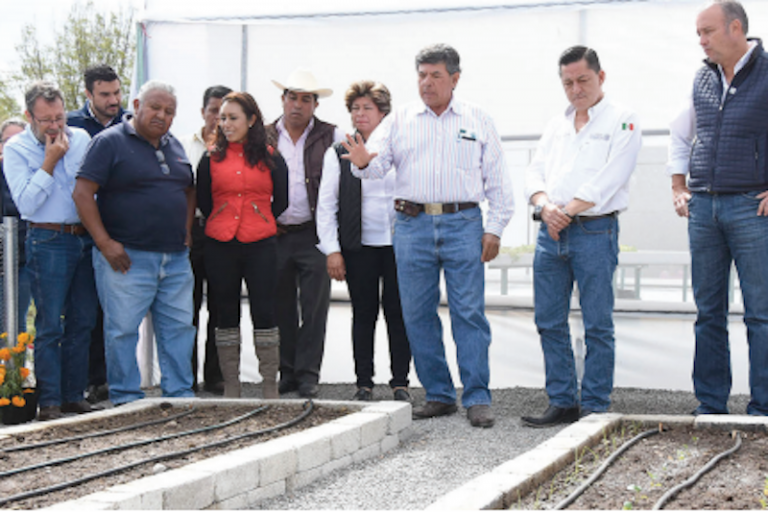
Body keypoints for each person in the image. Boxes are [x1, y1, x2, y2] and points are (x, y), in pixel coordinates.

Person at [342, 44, 514, 428]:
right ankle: (438, 393)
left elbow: (499, 181)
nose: (427, 82)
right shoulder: (399, 119)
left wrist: (495, 229)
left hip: (463, 223)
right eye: (422, 74)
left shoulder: (478, 119)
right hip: (411, 225)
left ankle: (477, 397)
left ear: (455, 78)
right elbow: (377, 168)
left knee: (468, 313)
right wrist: (363, 164)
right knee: (417, 314)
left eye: (436, 75)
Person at [520, 46, 642, 428]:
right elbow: (534, 172)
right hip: (550, 231)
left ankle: (594, 405)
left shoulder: (623, 120)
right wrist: (544, 206)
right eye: (568, 82)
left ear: (600, 77)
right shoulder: (557, 124)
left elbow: (611, 177)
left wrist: (564, 211)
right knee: (549, 321)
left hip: (594, 229)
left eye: (583, 80)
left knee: (597, 323)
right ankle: (562, 401)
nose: (576, 89)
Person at [668, 0, 768, 416]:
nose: (702, 41)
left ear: (735, 28)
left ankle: (763, 408)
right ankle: (710, 404)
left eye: (707, 32)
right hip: (703, 208)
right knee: (708, 312)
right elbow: (679, 132)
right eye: (698, 34)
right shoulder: (702, 78)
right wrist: (678, 185)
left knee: (760, 314)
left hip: (751, 208)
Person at [73, 80, 196, 406]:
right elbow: (82, 194)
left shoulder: (175, 147)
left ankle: (179, 397)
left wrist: (185, 231)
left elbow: (187, 189)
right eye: (155, 107)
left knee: (180, 329)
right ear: (137, 104)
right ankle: (127, 400)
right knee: (123, 332)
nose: (162, 115)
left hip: (174, 259)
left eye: (169, 111)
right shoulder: (109, 142)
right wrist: (104, 243)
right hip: (126, 257)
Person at [3, 81, 99, 421]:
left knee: (83, 320)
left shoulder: (83, 140)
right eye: (46, 120)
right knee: (49, 325)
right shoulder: (16, 149)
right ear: (29, 116)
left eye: (59, 116)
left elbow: (92, 191)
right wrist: (49, 161)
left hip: (83, 237)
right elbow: (26, 203)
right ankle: (50, 402)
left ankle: (75, 395)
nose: (56, 126)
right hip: (46, 239)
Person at [316, 80, 412, 402]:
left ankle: (400, 382)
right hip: (359, 245)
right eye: (355, 108)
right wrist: (332, 250)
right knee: (364, 312)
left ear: (382, 111)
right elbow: (327, 204)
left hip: (399, 244)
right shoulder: (338, 151)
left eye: (367, 108)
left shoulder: (399, 146)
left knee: (399, 312)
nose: (360, 114)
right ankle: (364, 383)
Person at [196, 91, 288, 399]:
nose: (225, 124)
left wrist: (259, 217)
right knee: (225, 311)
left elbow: (282, 200)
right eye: (222, 118)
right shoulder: (209, 159)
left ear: (251, 120)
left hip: (261, 242)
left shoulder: (271, 157)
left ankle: (269, 386)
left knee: (265, 310)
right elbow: (205, 202)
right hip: (221, 243)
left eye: (233, 118)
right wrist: (224, 218)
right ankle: (231, 385)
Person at [266, 68, 344, 399]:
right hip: (276, 233)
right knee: (280, 305)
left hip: (316, 234)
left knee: (314, 307)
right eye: (292, 97)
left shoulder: (333, 134)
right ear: (283, 100)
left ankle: (308, 374)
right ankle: (287, 372)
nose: (298, 104)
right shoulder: (264, 135)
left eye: (306, 99)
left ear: (315, 105)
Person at [67, 64, 127, 405]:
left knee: (116, 310)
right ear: (88, 94)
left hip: (121, 229)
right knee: (85, 311)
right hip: (84, 230)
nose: (113, 100)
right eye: (105, 94)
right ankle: (91, 381)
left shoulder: (130, 123)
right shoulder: (74, 126)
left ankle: (112, 379)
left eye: (116, 93)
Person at [179, 85, 232, 395]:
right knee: (187, 309)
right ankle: (185, 378)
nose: (219, 118)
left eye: (226, 114)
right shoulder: (182, 145)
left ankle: (216, 377)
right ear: (203, 112)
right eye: (214, 111)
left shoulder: (236, 152)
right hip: (191, 232)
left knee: (221, 308)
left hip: (224, 234)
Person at [0, 118, 32, 335]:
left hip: (23, 262)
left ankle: (15, 367)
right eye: (6, 141)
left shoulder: (32, 175)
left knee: (14, 321)